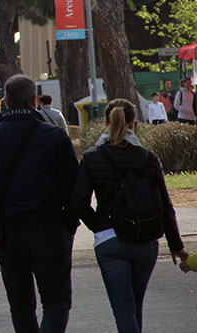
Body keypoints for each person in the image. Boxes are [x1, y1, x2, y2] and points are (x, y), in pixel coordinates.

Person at [0, 75, 79, 332]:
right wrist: (68, 227)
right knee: (56, 300)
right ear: (35, 100)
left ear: (5, 101)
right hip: (50, 229)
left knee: (20, 304)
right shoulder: (56, 138)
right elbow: (74, 189)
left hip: (9, 233)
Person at [71, 98, 189, 332]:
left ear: (106, 122)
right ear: (134, 123)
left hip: (109, 241)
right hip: (145, 240)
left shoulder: (93, 158)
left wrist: (99, 226)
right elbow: (165, 206)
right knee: (136, 307)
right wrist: (176, 246)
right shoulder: (148, 158)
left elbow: (77, 203)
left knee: (124, 310)